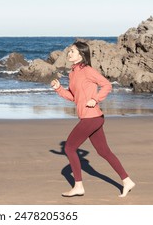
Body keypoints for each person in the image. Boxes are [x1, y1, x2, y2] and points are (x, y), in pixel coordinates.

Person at [50, 41, 135, 198]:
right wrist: (59, 89)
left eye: (73, 51)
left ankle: (78, 187)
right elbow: (74, 97)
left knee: (69, 148)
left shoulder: (87, 70)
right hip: (92, 118)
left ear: (81, 55)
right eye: (69, 51)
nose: (69, 54)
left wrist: (95, 99)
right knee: (104, 151)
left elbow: (107, 85)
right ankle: (127, 180)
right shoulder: (73, 73)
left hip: (92, 117)